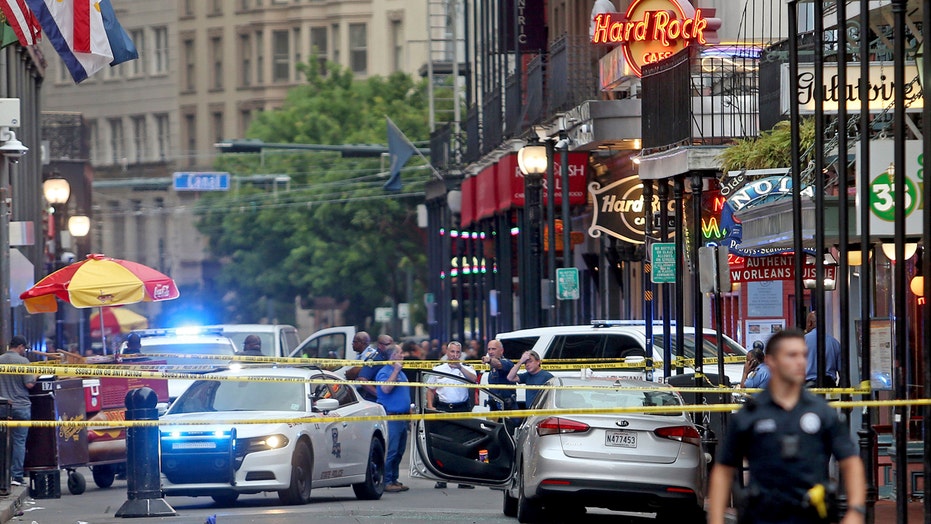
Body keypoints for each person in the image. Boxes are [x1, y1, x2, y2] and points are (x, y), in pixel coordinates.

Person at [707, 329, 866, 524]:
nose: (800, 362)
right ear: (771, 361)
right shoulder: (750, 415)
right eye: (791, 355)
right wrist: (716, 518)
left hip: (810, 515)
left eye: (803, 355)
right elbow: (723, 470)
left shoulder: (821, 412)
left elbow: (851, 462)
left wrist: (856, 511)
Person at [427, 341, 477, 489]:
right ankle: (442, 477)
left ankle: (463, 478)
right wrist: (431, 407)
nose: (455, 355)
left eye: (457, 352)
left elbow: (473, 380)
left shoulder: (467, 368)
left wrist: (460, 367)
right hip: (443, 408)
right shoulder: (438, 369)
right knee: (443, 444)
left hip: (461, 409)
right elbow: (430, 390)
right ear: (447, 353)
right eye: (452, 352)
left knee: (463, 444)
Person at [0, 336, 37, 486]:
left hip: (2, 407)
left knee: (3, 443)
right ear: (21, 347)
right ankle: (16, 476)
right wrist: (35, 375)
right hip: (21, 406)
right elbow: (29, 384)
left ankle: (3, 476)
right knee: (19, 441)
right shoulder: (24, 362)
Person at [376, 344, 411, 493]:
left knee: (399, 450)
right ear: (392, 356)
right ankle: (387, 480)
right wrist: (396, 370)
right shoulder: (384, 372)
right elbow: (386, 389)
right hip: (392, 417)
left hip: (402, 418)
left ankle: (394, 478)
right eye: (400, 353)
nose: (402, 355)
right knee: (391, 450)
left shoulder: (401, 373)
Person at [803, 312, 842, 387]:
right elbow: (843, 373)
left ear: (810, 323)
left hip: (807, 387)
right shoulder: (834, 343)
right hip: (829, 386)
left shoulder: (802, 341)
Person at [356, 335, 393, 402]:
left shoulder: (388, 357)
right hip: (375, 401)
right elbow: (362, 379)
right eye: (388, 344)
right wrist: (379, 395)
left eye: (392, 344)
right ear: (380, 345)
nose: (391, 347)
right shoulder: (374, 358)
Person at [482, 339, 515, 410]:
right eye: (489, 349)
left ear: (501, 351)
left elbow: (499, 364)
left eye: (493, 349)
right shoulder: (491, 367)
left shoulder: (507, 363)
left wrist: (489, 360)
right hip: (494, 408)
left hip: (507, 408)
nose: (490, 352)